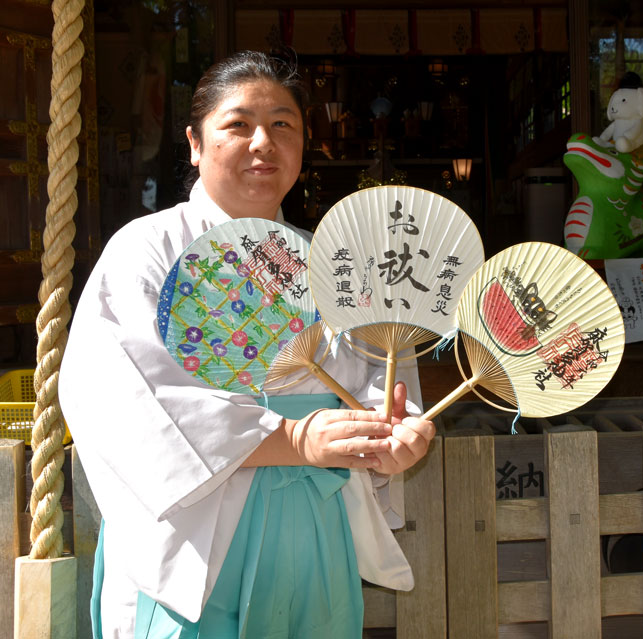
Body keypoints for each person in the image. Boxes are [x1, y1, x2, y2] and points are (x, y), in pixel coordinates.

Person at [59, 50, 436, 639]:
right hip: (198, 537)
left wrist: (393, 440)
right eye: (238, 125)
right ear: (194, 143)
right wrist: (291, 436)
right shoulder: (147, 250)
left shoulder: (335, 264)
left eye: (283, 125)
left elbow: (379, 388)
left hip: (315, 526)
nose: (263, 142)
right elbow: (125, 399)